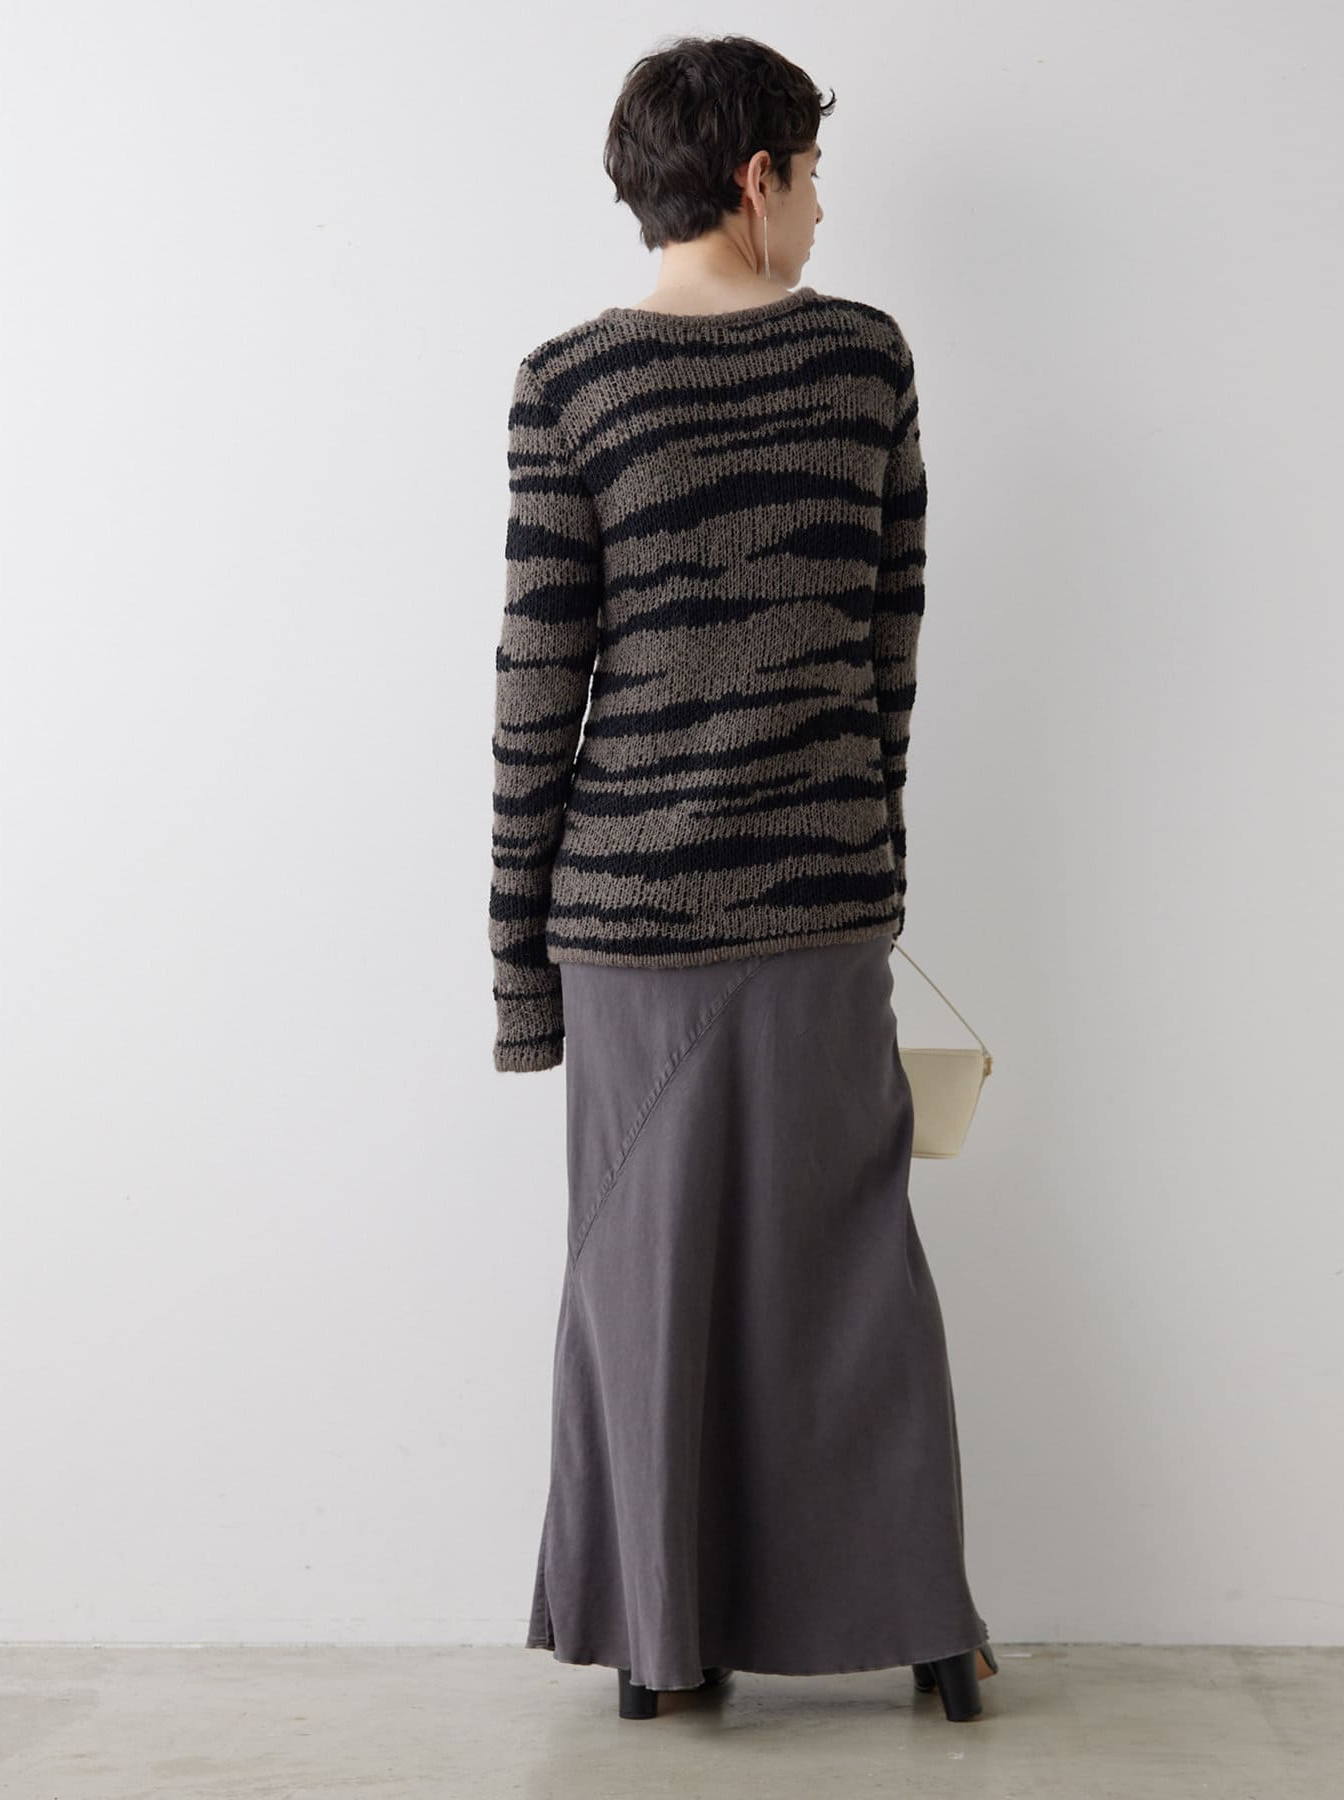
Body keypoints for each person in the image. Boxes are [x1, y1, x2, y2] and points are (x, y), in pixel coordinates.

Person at [488, 33, 997, 1723]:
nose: (823, 209)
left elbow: (538, 689)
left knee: (642, 1287)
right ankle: (928, 1630)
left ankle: (665, 1644)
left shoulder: (570, 383)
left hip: (626, 924)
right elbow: (887, 650)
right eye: (812, 174)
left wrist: (520, 978)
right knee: (852, 1281)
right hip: (819, 901)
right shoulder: (864, 360)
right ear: (753, 178)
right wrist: (868, 859)